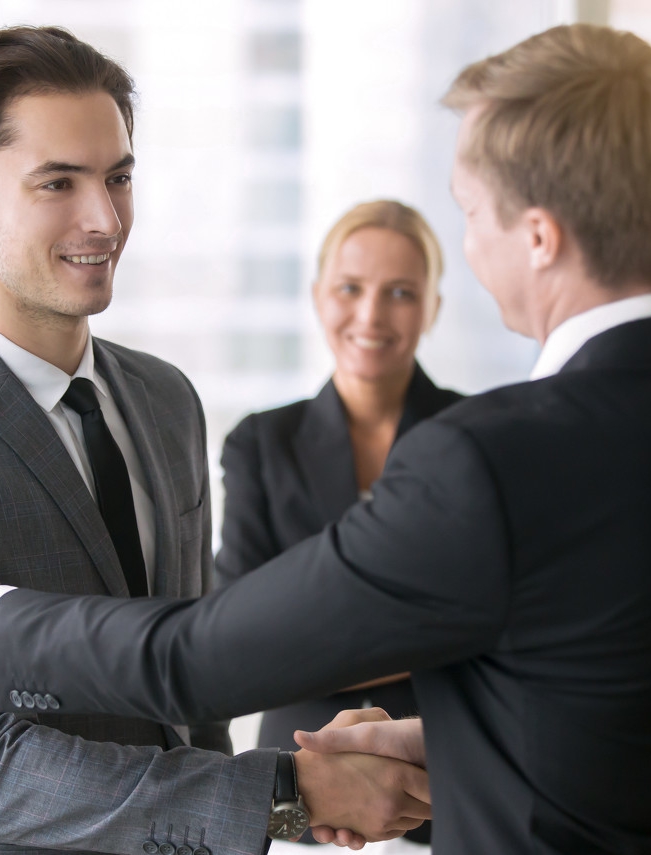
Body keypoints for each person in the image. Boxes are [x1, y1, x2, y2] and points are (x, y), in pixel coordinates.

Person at [0, 23, 651, 854]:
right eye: (58, 181)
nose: (106, 219)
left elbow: (195, 662)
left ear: (537, 235)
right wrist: (433, 752)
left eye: (468, 213)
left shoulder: (487, 457)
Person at [0, 25, 429, 855]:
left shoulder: (166, 400)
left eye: (118, 177)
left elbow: (192, 707)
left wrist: (297, 793)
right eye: (58, 182)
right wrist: (286, 792)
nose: (104, 218)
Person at [217, 200, 460, 847]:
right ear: (319, 296)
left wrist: (317, 638)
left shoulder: (478, 435)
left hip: (451, 790)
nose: (371, 315)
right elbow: (239, 638)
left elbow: (511, 625)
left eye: (401, 292)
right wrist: (430, 634)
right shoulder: (261, 444)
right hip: (306, 798)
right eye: (350, 288)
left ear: (434, 306)